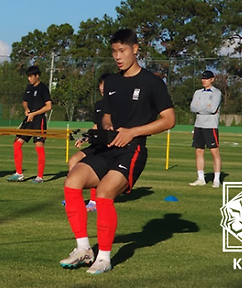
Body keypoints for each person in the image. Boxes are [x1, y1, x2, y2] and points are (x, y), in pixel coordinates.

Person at [60, 29, 175, 275]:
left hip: (131, 151)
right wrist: (107, 126)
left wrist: (133, 132)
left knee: (103, 194)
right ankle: (83, 249)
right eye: (114, 51)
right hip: (106, 148)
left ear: (136, 49)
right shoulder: (111, 81)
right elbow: (107, 116)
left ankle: (104, 258)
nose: (117, 56)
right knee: (72, 182)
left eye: (122, 51)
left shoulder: (152, 82)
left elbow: (169, 120)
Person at [67, 73, 112, 212]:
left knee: (93, 165)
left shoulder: (115, 105)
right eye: (101, 84)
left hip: (106, 146)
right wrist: (84, 137)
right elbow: (95, 126)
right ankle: (75, 197)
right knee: (73, 160)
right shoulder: (98, 105)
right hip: (95, 144)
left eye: (105, 85)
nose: (102, 88)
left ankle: (94, 201)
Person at [7, 65, 52, 184]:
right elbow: (24, 102)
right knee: (17, 144)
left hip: (38, 121)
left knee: (39, 147)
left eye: (31, 76)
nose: (29, 79)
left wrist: (35, 114)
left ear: (37, 76)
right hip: (28, 120)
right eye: (28, 77)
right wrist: (26, 109)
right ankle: (19, 173)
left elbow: (48, 106)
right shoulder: (28, 88)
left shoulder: (43, 88)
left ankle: (39, 177)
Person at [189, 70, 222, 188]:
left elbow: (212, 108)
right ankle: (200, 178)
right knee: (198, 151)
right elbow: (193, 107)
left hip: (210, 126)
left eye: (207, 78)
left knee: (214, 152)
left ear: (212, 79)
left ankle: (216, 179)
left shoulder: (216, 93)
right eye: (203, 78)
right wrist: (204, 108)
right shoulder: (197, 92)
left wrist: (200, 108)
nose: (204, 80)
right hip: (199, 125)